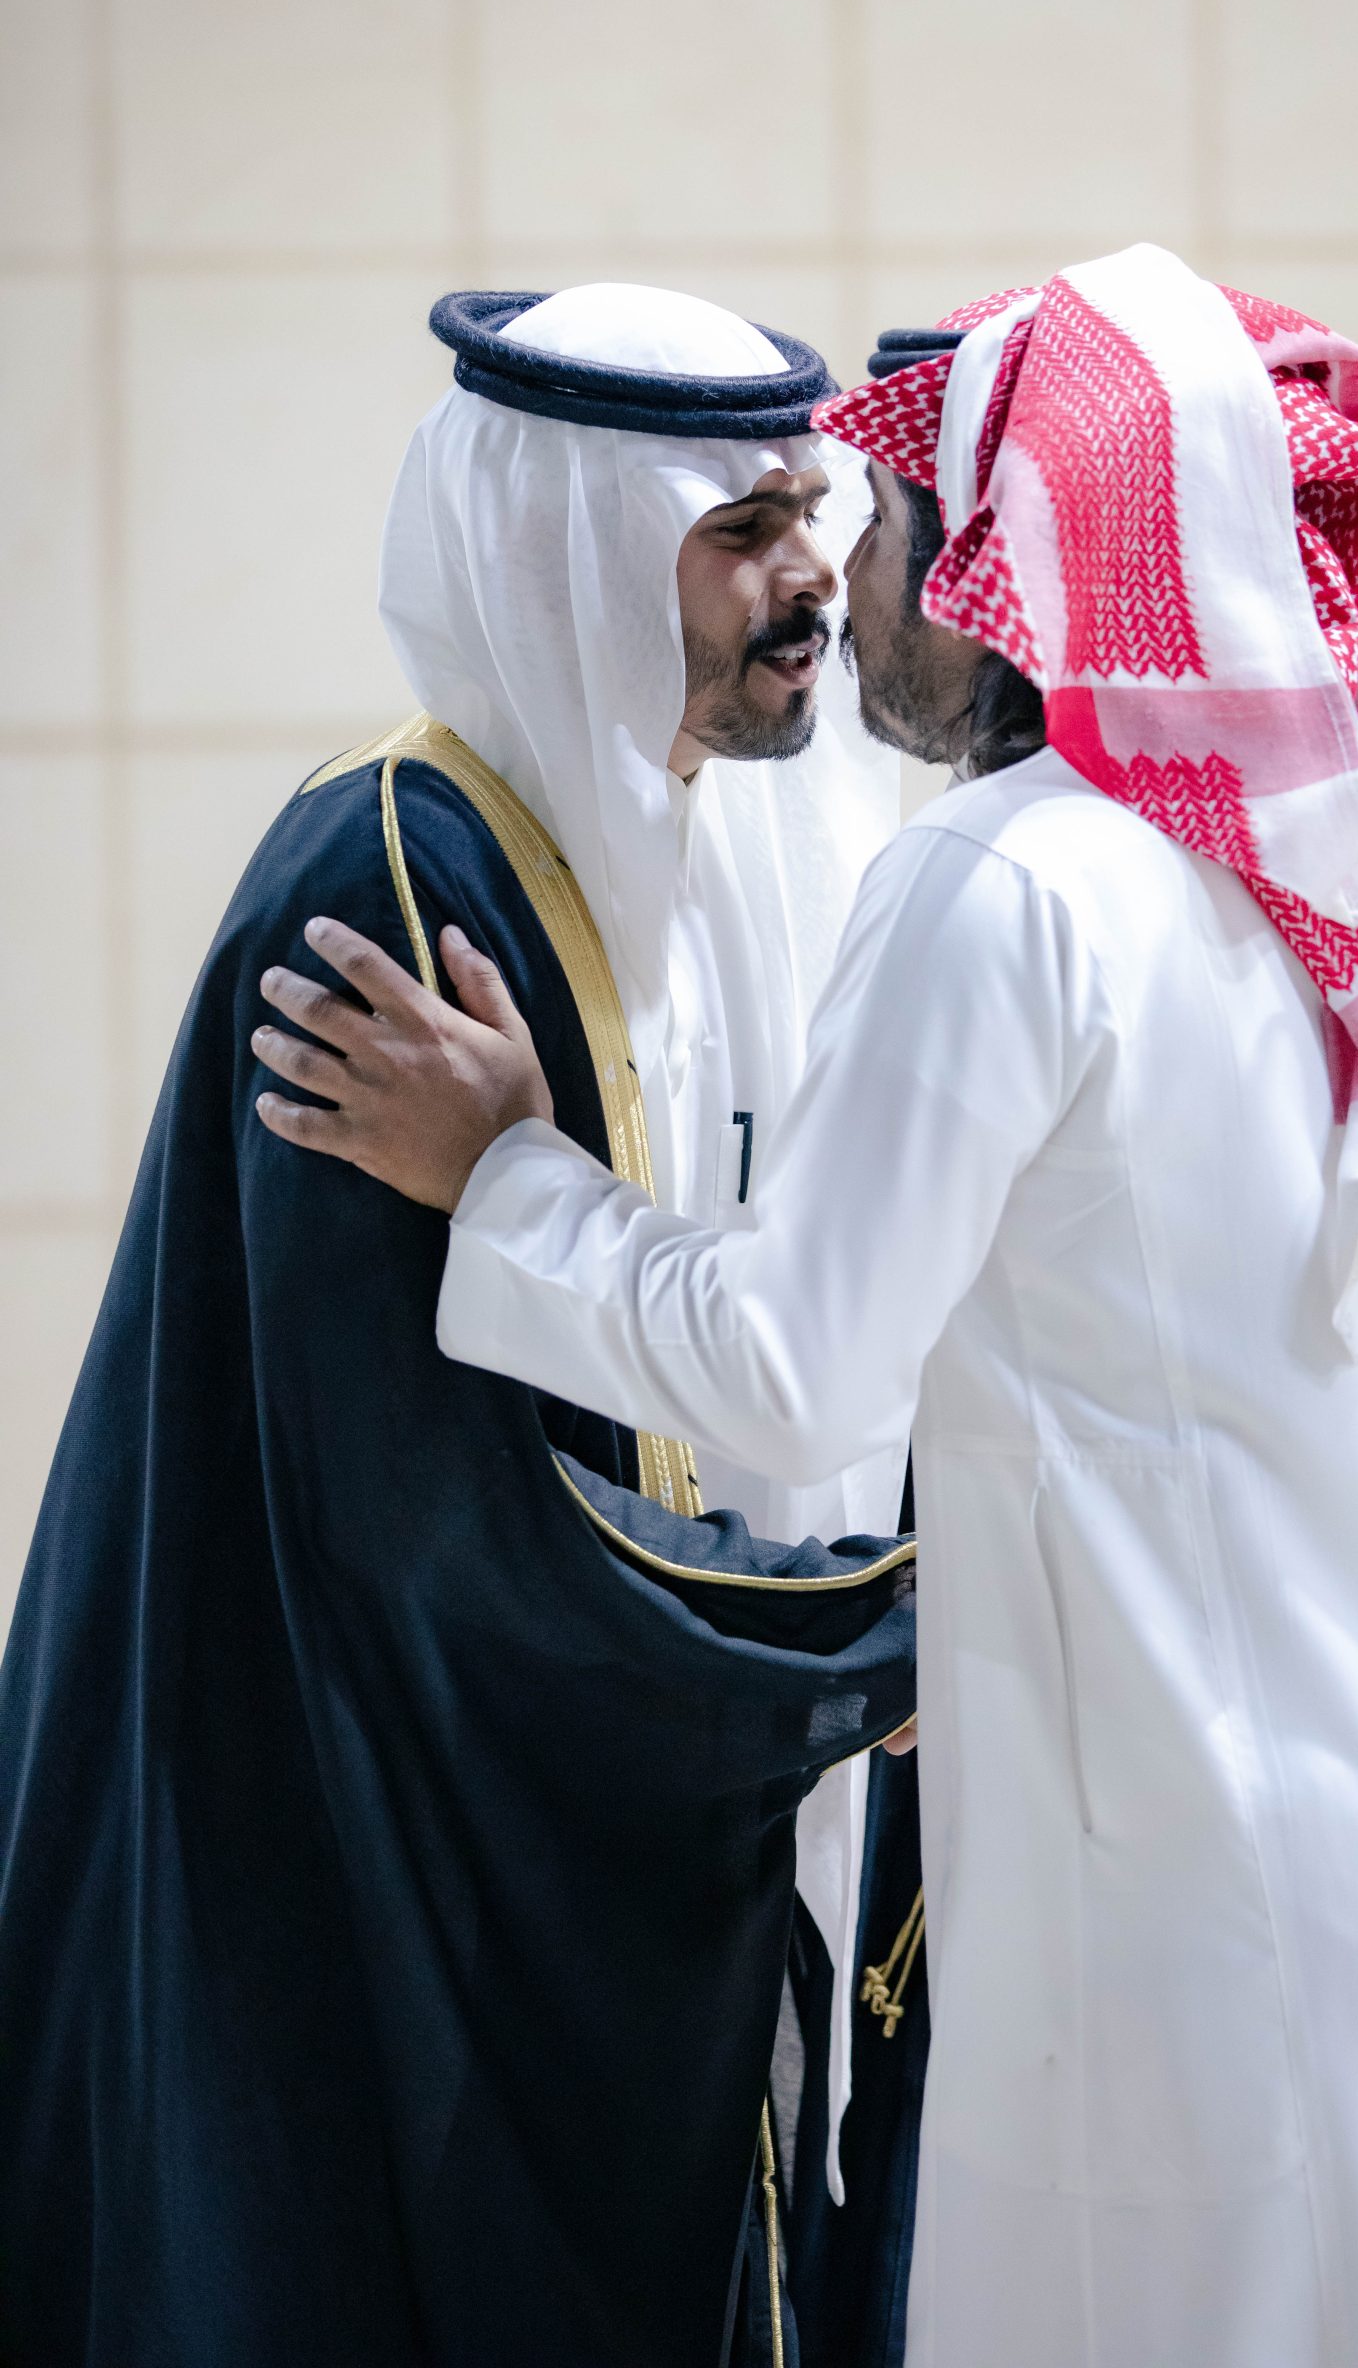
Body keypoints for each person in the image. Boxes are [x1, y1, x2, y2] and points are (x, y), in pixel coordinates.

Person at [255, 245, 1358, 2367]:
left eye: (890, 519)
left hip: (1269, 1948)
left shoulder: (1016, 875)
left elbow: (787, 1360)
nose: (854, 579)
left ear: (1012, 557)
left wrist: (506, 1180)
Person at [0, 286, 922, 2368]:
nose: (807, 577)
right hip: (348, 1843)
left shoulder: (711, 848)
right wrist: (859, 1640)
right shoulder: (395, 896)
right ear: (567, 555)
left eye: (807, 511)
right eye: (739, 531)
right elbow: (427, 1537)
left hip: (556, 1838)